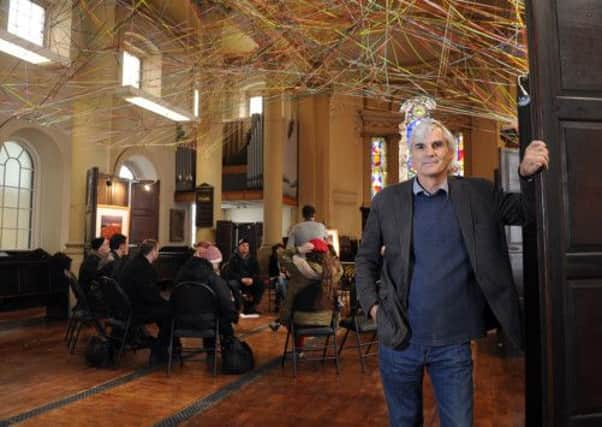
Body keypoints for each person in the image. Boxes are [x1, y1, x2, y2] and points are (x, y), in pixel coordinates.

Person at [355, 118, 549, 427]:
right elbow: (365, 261)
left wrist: (526, 174)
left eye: (437, 144)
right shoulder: (387, 201)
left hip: (453, 344)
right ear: (411, 156)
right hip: (399, 340)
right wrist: (375, 310)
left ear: (451, 152)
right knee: (404, 422)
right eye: (420, 146)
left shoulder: (480, 193)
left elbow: (524, 213)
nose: (429, 152)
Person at [269, 239, 342, 345]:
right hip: (327, 321)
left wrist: (298, 249)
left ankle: (298, 349)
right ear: (326, 255)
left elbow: (281, 255)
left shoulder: (298, 269)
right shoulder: (334, 273)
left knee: (294, 307)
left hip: (299, 321)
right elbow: (340, 267)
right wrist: (329, 251)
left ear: (307, 253)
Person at [175, 243, 238, 350]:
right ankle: (226, 352)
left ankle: (175, 353)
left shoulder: (181, 275)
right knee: (223, 319)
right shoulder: (214, 279)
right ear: (213, 263)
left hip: (181, 321)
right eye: (218, 263)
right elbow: (226, 302)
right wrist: (233, 316)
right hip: (209, 322)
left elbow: (174, 296)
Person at [119, 239, 173, 364]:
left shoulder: (134, 263)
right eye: (157, 250)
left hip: (126, 307)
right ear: (153, 251)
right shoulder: (146, 268)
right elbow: (150, 296)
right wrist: (166, 302)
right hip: (136, 310)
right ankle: (161, 349)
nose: (158, 253)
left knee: (165, 311)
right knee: (169, 313)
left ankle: (167, 347)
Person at [223, 238, 265, 316]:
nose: (245, 247)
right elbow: (230, 273)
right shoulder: (233, 258)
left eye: (247, 246)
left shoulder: (253, 259)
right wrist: (241, 279)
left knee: (261, 283)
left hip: (250, 280)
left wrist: (252, 279)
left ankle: (252, 305)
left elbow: (257, 272)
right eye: (243, 245)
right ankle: (239, 305)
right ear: (239, 247)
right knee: (232, 284)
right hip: (238, 280)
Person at [268, 243, 289, 310]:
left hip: (286, 279)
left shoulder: (286, 259)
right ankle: (287, 302)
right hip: (275, 278)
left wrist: (286, 274)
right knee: (279, 280)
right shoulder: (272, 259)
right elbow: (271, 271)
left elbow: (290, 270)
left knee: (278, 286)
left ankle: (277, 304)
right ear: (275, 251)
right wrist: (279, 274)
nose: (280, 250)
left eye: (281, 249)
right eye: (278, 249)